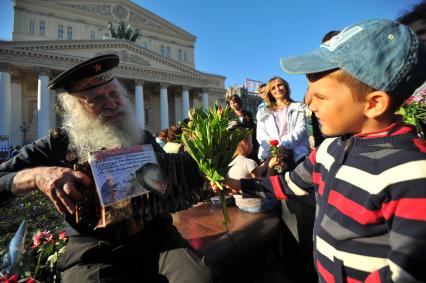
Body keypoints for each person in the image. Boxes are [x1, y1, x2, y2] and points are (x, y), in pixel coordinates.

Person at [222, 19, 426, 282]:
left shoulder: (411, 172)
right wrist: (238, 184)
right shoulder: (329, 149)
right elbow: (289, 185)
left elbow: (409, 270)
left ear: (374, 104)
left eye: (320, 97)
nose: (309, 105)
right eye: (309, 94)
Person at [0, 54, 213, 283]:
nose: (111, 104)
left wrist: (207, 178)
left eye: (114, 94)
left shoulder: (142, 136)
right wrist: (37, 175)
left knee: (197, 278)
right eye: (97, 99)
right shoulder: (57, 144)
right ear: (77, 108)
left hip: (157, 239)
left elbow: (170, 184)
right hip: (92, 251)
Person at [256, 76, 310, 168]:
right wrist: (274, 149)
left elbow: (301, 129)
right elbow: (261, 134)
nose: (277, 89)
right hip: (270, 156)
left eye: (280, 85)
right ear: (270, 92)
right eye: (273, 88)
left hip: (295, 155)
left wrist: (283, 145)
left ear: (285, 86)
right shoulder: (263, 111)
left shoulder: (298, 107)